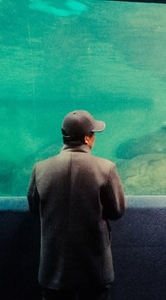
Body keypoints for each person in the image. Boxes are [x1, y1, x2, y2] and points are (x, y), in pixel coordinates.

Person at [28, 110, 126, 300]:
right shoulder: (106, 168)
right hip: (94, 270)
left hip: (53, 270)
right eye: (94, 134)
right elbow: (117, 211)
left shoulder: (40, 168)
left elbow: (35, 208)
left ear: (64, 136)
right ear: (87, 139)